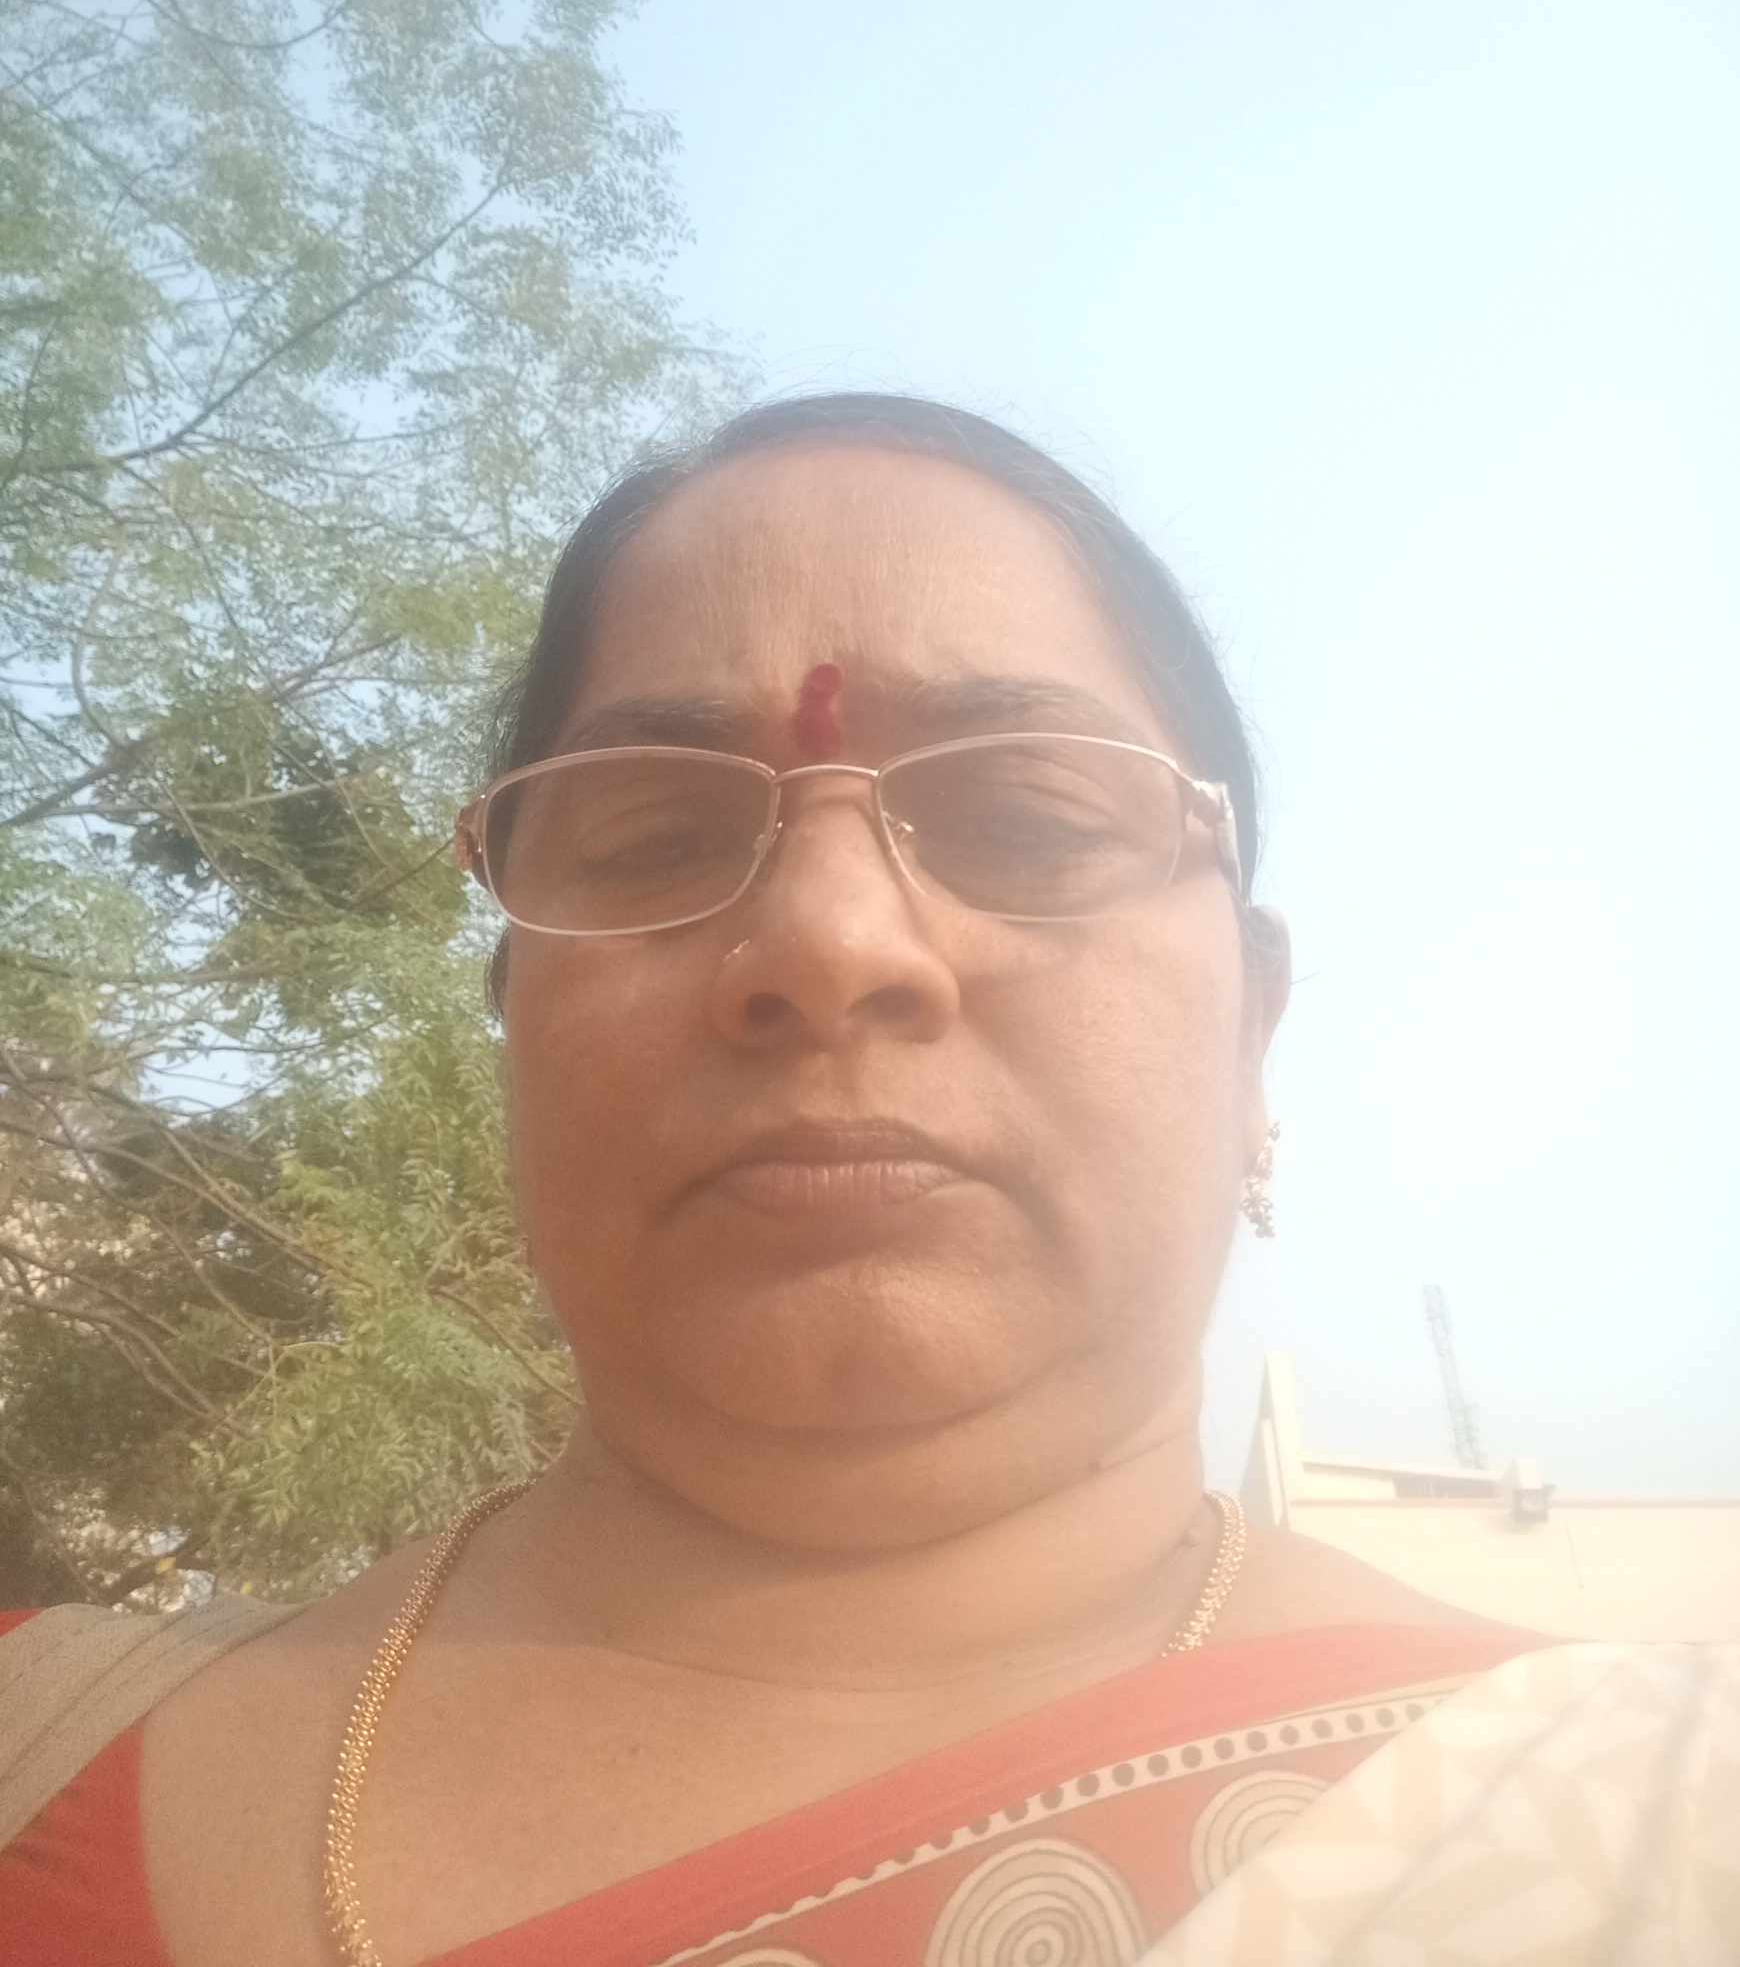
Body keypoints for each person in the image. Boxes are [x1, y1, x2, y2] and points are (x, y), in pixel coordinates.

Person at [2, 393, 1732, 1966]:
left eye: (1027, 822)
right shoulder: (40, 1749)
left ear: (1252, 1033)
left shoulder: (1656, 1833)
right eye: (656, 839)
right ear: (515, 1013)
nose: (829, 942)